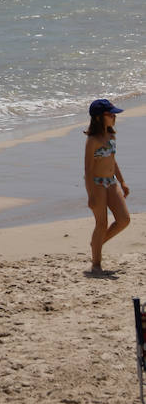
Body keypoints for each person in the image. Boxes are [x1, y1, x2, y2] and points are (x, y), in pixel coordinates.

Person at [84, 98, 130, 273]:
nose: (113, 116)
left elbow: (112, 160)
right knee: (101, 224)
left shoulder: (111, 135)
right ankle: (96, 264)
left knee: (124, 219)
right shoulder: (92, 140)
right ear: (98, 118)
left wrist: (122, 181)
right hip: (97, 184)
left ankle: (97, 243)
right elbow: (88, 169)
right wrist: (91, 195)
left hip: (111, 182)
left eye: (114, 114)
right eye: (110, 114)